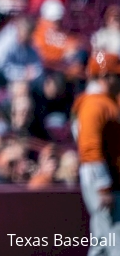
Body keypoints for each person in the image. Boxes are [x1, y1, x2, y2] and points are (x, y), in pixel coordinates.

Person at [72, 51, 120, 256]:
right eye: (117, 76)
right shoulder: (93, 104)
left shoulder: (104, 101)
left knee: (102, 242)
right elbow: (90, 148)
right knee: (115, 242)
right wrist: (103, 187)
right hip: (103, 180)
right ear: (105, 77)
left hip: (108, 179)